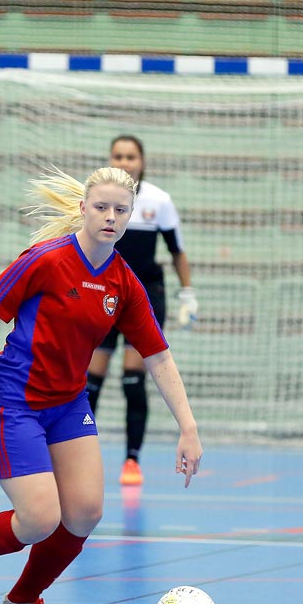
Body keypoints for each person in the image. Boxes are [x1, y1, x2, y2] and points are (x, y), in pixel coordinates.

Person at [0, 166, 202, 604]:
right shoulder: (47, 259)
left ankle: (22, 601)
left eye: (121, 210)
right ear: (83, 208)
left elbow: (158, 356)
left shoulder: (124, 283)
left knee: (84, 512)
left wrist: (189, 428)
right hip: (14, 401)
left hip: (66, 405)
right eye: (101, 207)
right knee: (40, 518)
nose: (110, 216)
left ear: (131, 218)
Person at [86, 136, 196, 487]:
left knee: (134, 380)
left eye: (131, 156)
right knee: (90, 383)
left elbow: (177, 251)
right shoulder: (100, 201)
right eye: (118, 155)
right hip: (102, 296)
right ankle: (81, 455)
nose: (125, 161)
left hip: (143, 297)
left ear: (142, 161)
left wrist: (187, 294)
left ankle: (131, 461)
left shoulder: (158, 201)